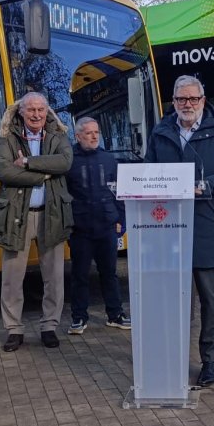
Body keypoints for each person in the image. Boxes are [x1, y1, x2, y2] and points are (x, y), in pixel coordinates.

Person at [145, 75, 214, 387]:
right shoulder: (161, 131)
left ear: (203, 100)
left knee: (210, 300)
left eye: (193, 99)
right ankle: (173, 357)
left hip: (205, 223)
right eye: (181, 100)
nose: (187, 105)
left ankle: (209, 361)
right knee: (173, 300)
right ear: (172, 102)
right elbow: (148, 172)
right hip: (168, 228)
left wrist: (206, 187)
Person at [0, 92, 73, 351]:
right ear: (21, 112)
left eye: (40, 110)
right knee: (12, 277)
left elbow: (65, 162)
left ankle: (49, 326)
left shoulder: (58, 135)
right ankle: (14, 329)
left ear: (47, 112)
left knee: (54, 277)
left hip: (52, 213)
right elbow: (3, 172)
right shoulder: (7, 136)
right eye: (31, 110)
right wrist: (43, 176)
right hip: (18, 215)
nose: (36, 115)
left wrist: (27, 162)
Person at [65, 117, 130, 335]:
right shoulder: (68, 161)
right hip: (80, 228)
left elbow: (119, 192)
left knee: (109, 273)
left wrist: (122, 219)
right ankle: (79, 317)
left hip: (107, 226)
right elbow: (63, 195)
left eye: (97, 132)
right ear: (77, 136)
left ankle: (115, 314)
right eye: (89, 133)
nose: (94, 137)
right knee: (80, 275)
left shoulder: (109, 159)